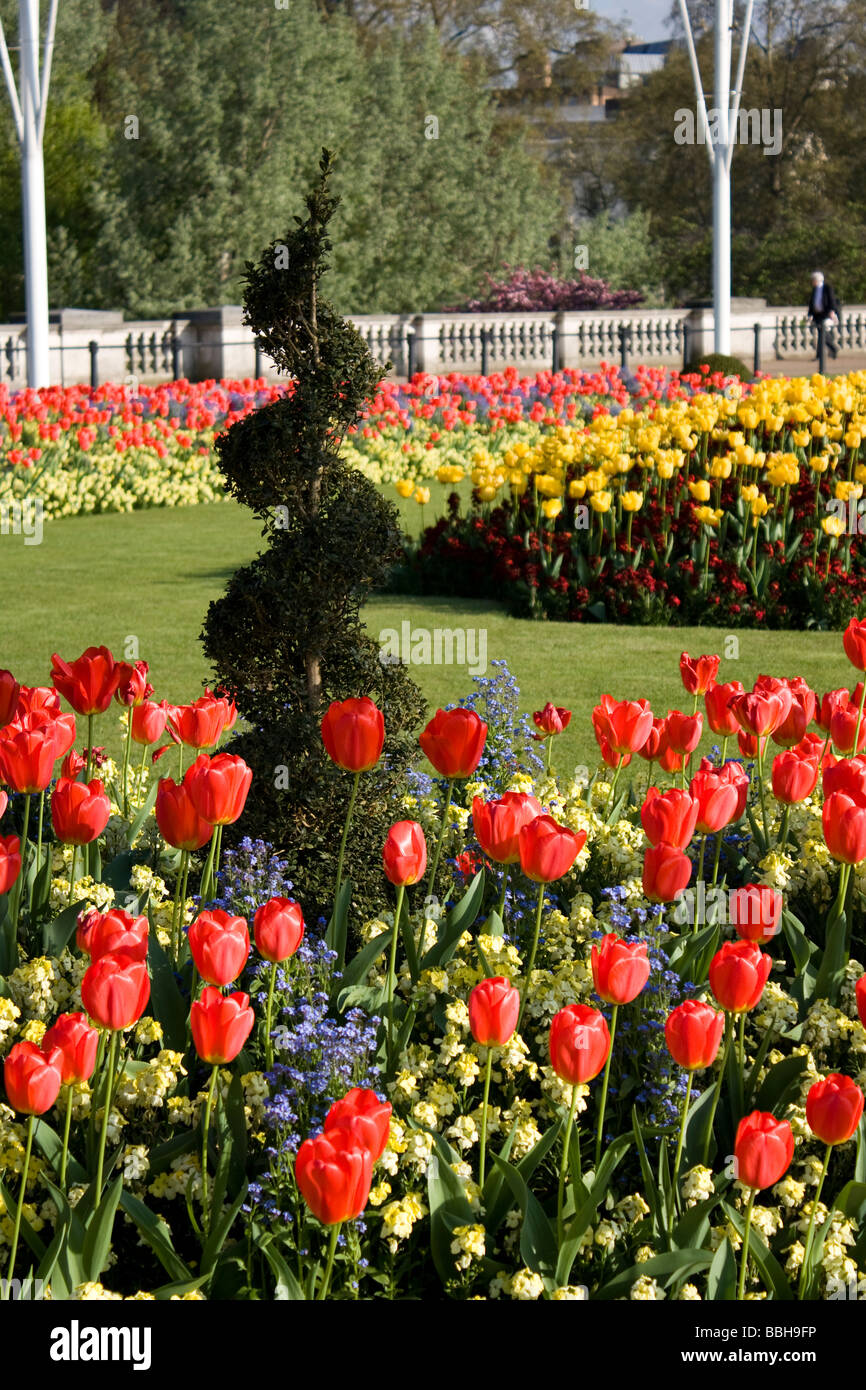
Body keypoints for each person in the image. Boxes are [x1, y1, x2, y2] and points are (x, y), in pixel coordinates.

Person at [807, 271, 840, 359]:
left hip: (826, 314)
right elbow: (812, 303)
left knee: (823, 334)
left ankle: (832, 349)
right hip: (818, 315)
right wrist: (810, 314)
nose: (812, 282)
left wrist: (832, 311)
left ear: (817, 280)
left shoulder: (827, 288)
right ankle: (821, 354)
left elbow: (832, 299)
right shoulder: (814, 289)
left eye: (813, 280)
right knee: (821, 334)